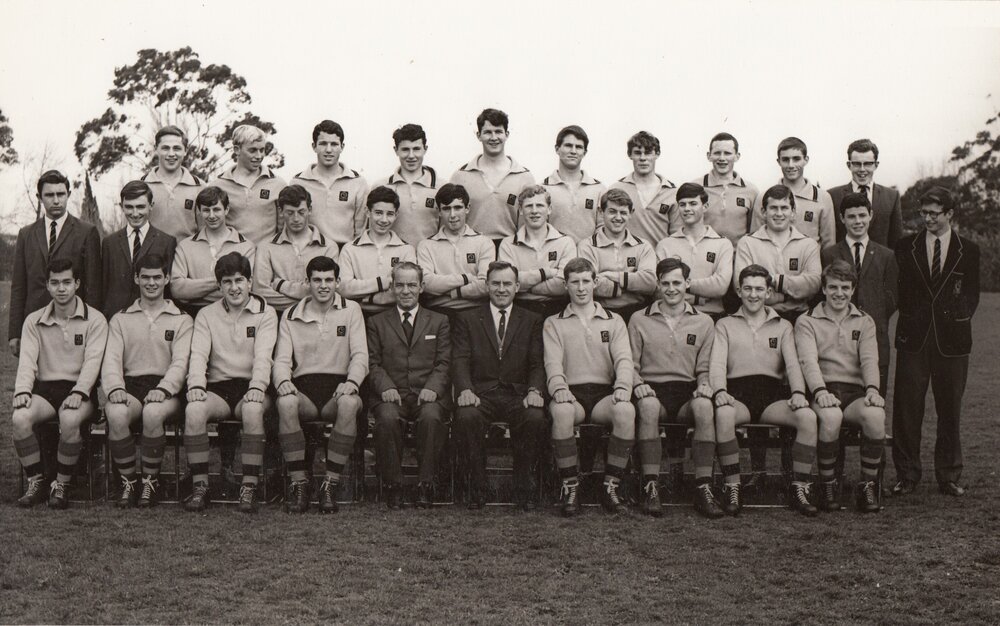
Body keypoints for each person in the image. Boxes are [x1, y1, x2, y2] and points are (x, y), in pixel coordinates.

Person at [891, 187, 979, 498]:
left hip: (953, 343)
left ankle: (949, 475)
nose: (927, 219)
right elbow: (898, 291)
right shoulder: (906, 247)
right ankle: (907, 475)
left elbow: (971, 295)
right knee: (906, 410)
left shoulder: (969, 250)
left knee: (950, 409)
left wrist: (953, 319)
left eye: (934, 214)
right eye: (923, 213)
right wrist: (914, 316)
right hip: (913, 340)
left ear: (950, 214)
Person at [710, 264, 819, 517]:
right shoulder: (725, 324)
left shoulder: (783, 326)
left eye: (759, 289)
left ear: (768, 292)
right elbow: (716, 364)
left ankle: (799, 488)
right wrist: (719, 392)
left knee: (807, 418)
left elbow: (793, 364)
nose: (753, 294)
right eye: (747, 288)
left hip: (771, 398)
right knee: (724, 414)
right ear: (739, 291)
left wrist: (799, 393)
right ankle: (732, 486)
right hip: (738, 394)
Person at [183, 252, 278, 513]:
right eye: (227, 282)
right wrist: (196, 387)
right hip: (220, 388)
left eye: (239, 280)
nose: (234, 288)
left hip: (251, 385)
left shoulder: (266, 313)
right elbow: (199, 355)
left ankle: (249, 485)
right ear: (219, 285)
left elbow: (264, 356)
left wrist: (258, 386)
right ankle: (200, 485)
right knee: (194, 410)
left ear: (249, 282)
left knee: (252, 409)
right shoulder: (206, 314)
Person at [628, 258, 723, 518]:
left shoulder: (704, 321)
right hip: (652, 390)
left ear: (688, 284)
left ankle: (703, 487)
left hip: (686, 392)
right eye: (666, 283)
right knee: (647, 407)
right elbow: (631, 365)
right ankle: (651, 485)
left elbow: (704, 369)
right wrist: (638, 385)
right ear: (658, 285)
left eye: (677, 283)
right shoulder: (639, 319)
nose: (671, 289)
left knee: (704, 406)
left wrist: (704, 385)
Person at [273, 256, 367, 513]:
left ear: (337, 282)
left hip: (337, 389)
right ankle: (299, 483)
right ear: (308, 282)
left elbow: (360, 355)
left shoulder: (351, 310)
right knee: (285, 402)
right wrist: (282, 381)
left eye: (329, 280)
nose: (323, 286)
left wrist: (351, 382)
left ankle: (330, 484)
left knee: (349, 403)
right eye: (317, 280)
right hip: (304, 389)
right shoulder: (291, 315)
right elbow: (281, 359)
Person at [451, 261, 548, 510]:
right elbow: (460, 359)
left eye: (507, 284)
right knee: (466, 415)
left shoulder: (533, 319)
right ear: (487, 285)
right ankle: (477, 488)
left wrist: (535, 391)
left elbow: (538, 362)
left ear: (517, 286)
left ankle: (523, 489)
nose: (501, 289)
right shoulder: (468, 318)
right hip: (481, 393)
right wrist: (465, 390)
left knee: (535, 417)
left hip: (517, 394)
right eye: (496, 283)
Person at [12, 259, 108, 509]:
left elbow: (93, 362)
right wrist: (22, 390)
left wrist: (80, 391)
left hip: (79, 390)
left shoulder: (95, 319)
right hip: (45, 390)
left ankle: (62, 484)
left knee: (69, 418)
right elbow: (27, 363)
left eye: (67, 282)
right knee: (20, 418)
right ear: (47, 285)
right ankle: (37, 481)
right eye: (55, 283)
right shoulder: (34, 321)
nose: (61, 288)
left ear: (77, 283)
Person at [544, 258, 634, 516]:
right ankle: (570, 487)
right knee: (561, 412)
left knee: (626, 411)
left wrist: (623, 386)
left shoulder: (614, 320)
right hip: (571, 392)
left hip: (604, 393)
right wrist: (559, 388)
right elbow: (552, 362)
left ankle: (611, 486)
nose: (581, 288)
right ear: (566, 285)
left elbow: (624, 359)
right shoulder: (554, 322)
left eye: (586, 281)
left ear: (595, 282)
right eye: (575, 282)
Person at [101, 253, 192, 508]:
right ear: (136, 279)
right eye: (145, 278)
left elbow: (181, 362)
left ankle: (150, 482)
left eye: (157, 277)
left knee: (153, 413)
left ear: (167, 279)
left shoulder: (182, 319)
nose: (151, 283)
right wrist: (115, 388)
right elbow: (111, 360)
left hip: (166, 390)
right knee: (116, 413)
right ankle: (129, 482)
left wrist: (164, 389)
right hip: (130, 387)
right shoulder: (120, 319)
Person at [795, 261, 886, 513]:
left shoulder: (864, 321)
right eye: (833, 287)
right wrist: (820, 391)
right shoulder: (807, 320)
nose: (839, 293)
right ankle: (828, 484)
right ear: (823, 289)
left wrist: (872, 390)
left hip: (855, 391)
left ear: (853, 289)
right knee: (831, 417)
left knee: (875, 416)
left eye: (845, 288)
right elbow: (808, 361)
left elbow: (869, 359)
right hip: (823, 389)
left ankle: (866, 485)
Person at [366, 261, 452, 509]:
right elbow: (373, 362)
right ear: (392, 287)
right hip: (393, 394)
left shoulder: (439, 321)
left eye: (412, 285)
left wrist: (433, 388)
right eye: (400, 285)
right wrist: (385, 387)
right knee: (387, 418)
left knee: (431, 418)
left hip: (428, 394)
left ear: (422, 287)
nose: (406, 291)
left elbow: (444, 362)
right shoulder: (377, 322)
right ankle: (394, 485)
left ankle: (427, 484)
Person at [9, 170, 102, 357]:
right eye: (49, 195)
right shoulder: (26, 234)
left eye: (61, 194)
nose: (56, 200)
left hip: (73, 324)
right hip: (35, 324)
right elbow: (19, 286)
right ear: (39, 197)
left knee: (75, 382)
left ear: (68, 194)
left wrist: (92, 330)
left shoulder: (86, 232)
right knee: (35, 382)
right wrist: (15, 332)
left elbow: (93, 287)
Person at [821, 192, 898, 392]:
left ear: (870, 215)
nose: (858, 221)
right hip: (837, 344)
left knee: (874, 402)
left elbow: (892, 297)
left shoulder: (886, 255)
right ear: (842, 219)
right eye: (852, 216)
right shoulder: (829, 254)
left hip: (875, 339)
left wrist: (873, 316)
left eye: (862, 215)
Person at [734, 184, 821, 324]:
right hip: (759, 317)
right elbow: (741, 286)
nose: (779, 213)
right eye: (773, 208)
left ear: (793, 212)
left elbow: (814, 284)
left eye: (784, 208)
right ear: (763, 212)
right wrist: (789, 296)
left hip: (799, 317)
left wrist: (775, 281)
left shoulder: (808, 244)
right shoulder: (747, 243)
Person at [450, 108, 535, 243]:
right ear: (478, 135)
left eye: (498, 132)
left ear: (507, 134)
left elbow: (530, 225)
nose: (494, 137)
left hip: (511, 249)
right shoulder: (461, 176)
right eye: (488, 132)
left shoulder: (524, 177)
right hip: (472, 249)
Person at [170, 186, 256, 317]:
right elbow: (177, 289)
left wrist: (195, 288)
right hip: (194, 314)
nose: (211, 216)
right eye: (206, 210)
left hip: (234, 314)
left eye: (216, 209)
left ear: (226, 210)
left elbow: (246, 289)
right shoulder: (185, 246)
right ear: (199, 211)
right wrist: (225, 281)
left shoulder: (246, 246)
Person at [252, 184, 339, 313]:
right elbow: (261, 292)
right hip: (279, 317)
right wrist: (309, 302)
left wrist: (279, 284)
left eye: (301, 212)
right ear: (281, 212)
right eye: (290, 213)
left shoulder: (329, 247)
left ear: (309, 210)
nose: (296, 218)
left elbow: (329, 291)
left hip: (319, 318)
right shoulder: (266, 247)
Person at [654, 182, 733, 320]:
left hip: (712, 316)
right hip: (673, 317)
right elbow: (659, 289)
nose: (687, 209)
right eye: (682, 204)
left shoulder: (723, 244)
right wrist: (700, 299)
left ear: (705, 206)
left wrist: (680, 285)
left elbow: (720, 286)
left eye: (693, 203)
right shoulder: (665, 245)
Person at [576, 188, 657, 320]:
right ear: (602, 212)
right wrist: (630, 286)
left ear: (631, 213)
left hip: (638, 313)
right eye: (612, 212)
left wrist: (611, 276)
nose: (618, 218)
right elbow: (587, 285)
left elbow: (650, 283)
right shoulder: (587, 246)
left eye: (623, 213)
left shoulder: (643, 246)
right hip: (600, 313)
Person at [101, 180, 177, 319]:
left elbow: (168, 289)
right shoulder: (109, 243)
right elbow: (105, 286)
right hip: (116, 318)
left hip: (154, 318)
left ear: (151, 206)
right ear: (122, 207)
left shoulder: (166, 242)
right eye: (129, 207)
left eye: (140, 207)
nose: (135, 213)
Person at [497, 185, 576, 319]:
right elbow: (506, 283)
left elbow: (565, 285)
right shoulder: (507, 244)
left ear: (549, 209)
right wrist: (546, 273)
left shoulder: (565, 242)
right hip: (519, 310)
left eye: (539, 205)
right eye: (529, 206)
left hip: (557, 309)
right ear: (521, 210)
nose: (534, 211)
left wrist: (525, 285)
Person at [416, 183, 495, 315]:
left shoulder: (484, 243)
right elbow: (426, 284)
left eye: (457, 208)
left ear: (467, 208)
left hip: (476, 312)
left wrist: (450, 292)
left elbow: (486, 285)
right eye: (446, 209)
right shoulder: (426, 245)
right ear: (439, 211)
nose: (452, 215)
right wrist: (466, 278)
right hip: (438, 312)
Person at [337, 186, 416, 317]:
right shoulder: (350, 249)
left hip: (395, 315)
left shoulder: (406, 249)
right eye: (378, 213)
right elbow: (344, 288)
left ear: (396, 215)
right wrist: (382, 282)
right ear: (367, 212)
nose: (384, 220)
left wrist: (368, 298)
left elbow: (407, 290)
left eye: (390, 214)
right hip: (358, 315)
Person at [291, 120, 369, 248]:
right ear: (314, 146)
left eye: (334, 144)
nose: (328, 150)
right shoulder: (298, 182)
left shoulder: (358, 183)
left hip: (344, 253)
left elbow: (360, 231)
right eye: (323, 144)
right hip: (310, 250)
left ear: (342, 147)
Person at [752, 137, 835, 249]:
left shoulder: (823, 197)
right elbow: (755, 241)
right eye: (785, 159)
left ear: (806, 160)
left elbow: (828, 245)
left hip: (809, 263)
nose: (791, 165)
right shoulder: (763, 197)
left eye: (796, 159)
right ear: (778, 161)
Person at [212, 124, 286, 245]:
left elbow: (283, 231)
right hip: (231, 259)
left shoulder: (278, 184)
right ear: (237, 150)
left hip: (265, 259)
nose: (259, 156)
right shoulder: (218, 186)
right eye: (252, 150)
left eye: (262, 150)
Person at [828, 138, 903, 248]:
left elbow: (897, 241)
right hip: (845, 264)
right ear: (849, 165)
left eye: (867, 164)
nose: (862, 169)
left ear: (876, 165)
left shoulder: (891, 196)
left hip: (881, 264)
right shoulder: (832, 196)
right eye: (857, 164)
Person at [375, 123, 440, 245]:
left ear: (425, 149)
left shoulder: (440, 187)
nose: (411, 156)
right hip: (394, 259)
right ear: (396, 150)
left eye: (416, 149)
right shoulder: (381, 187)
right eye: (405, 149)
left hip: (429, 259)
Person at [609, 131, 677, 245]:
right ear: (630, 155)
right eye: (637, 153)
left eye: (648, 152)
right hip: (625, 258)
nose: (642, 158)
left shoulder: (672, 192)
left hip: (661, 259)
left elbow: (677, 236)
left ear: (657, 154)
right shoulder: (616, 189)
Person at [540, 125, 606, 242]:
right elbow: (539, 230)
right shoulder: (543, 189)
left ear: (584, 152)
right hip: (555, 257)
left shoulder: (599, 189)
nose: (573, 151)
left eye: (579, 147)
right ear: (557, 149)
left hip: (589, 257)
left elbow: (603, 229)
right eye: (568, 145)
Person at [693, 132, 759, 245]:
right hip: (704, 256)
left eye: (727, 153)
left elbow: (753, 232)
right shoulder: (696, 188)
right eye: (717, 153)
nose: (722, 158)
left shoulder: (751, 191)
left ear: (737, 156)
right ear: (709, 156)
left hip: (739, 258)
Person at [142, 125, 204, 240]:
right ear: (156, 149)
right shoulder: (141, 186)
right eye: (165, 148)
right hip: (150, 257)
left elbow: (206, 233)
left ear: (185, 151)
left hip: (187, 256)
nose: (171, 154)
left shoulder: (200, 187)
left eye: (177, 148)